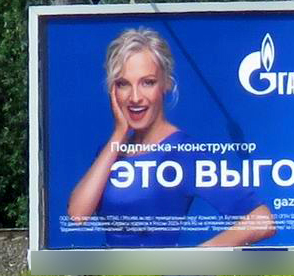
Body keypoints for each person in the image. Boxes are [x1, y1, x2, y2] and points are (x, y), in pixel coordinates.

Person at [62, 25, 275, 249]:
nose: (135, 97)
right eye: (124, 84)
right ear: (112, 91)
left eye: (148, 82)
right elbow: (78, 215)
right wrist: (118, 134)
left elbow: (262, 221)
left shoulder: (183, 153)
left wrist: (191, 260)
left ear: (166, 84)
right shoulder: (111, 151)